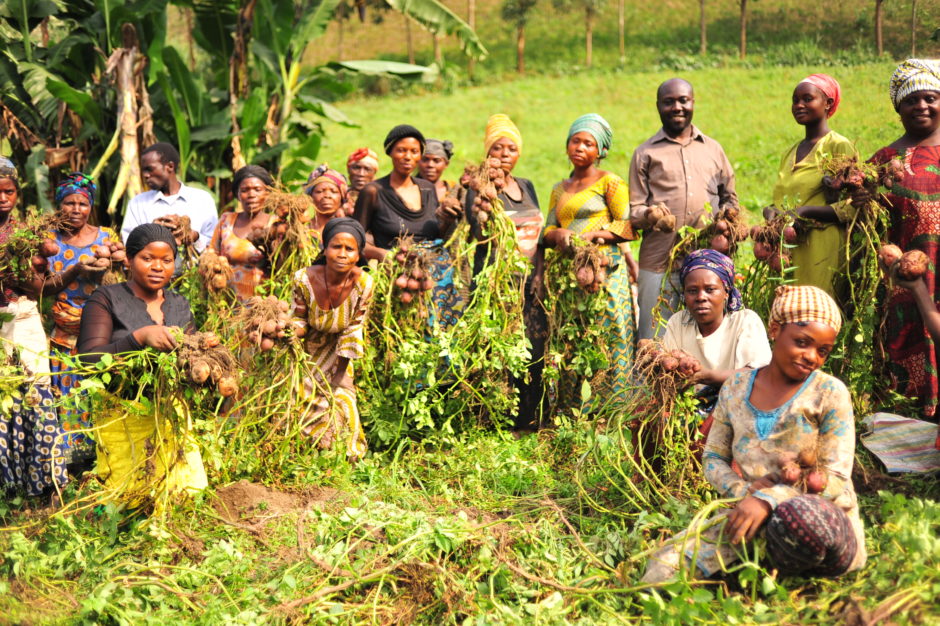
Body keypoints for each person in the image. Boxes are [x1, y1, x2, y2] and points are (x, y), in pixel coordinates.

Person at [642, 285, 865, 583]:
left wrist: (769, 499)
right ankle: (751, 572)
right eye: (802, 343)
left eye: (822, 351)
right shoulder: (735, 388)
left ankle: (771, 574)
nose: (811, 356)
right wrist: (743, 492)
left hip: (819, 517)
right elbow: (713, 457)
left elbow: (836, 479)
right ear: (775, 330)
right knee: (662, 567)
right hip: (750, 511)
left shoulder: (829, 393)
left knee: (801, 524)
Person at [77, 223, 207, 502]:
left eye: (166, 260)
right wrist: (139, 338)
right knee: (127, 501)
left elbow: (192, 357)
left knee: (183, 499)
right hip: (122, 416)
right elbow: (87, 360)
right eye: (147, 258)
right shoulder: (106, 299)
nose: (158, 267)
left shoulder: (179, 304)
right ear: (129, 259)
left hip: (170, 416)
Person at [457, 114, 547, 430]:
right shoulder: (480, 188)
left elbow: (540, 234)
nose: (505, 154)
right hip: (497, 282)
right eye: (498, 147)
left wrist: (539, 273)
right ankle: (499, 419)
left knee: (535, 349)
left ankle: (531, 418)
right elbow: (478, 231)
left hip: (531, 282)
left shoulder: (527, 185)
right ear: (488, 152)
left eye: (512, 148)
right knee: (501, 350)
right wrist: (483, 190)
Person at [629, 78, 738, 340]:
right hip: (659, 262)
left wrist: (726, 221)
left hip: (708, 262)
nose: (677, 107)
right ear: (658, 106)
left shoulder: (713, 149)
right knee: (654, 340)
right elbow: (634, 210)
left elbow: (730, 198)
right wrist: (650, 215)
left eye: (683, 101)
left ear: (693, 103)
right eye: (669, 102)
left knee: (709, 339)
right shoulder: (645, 153)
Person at [543, 114, 638, 405]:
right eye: (576, 141)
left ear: (600, 151)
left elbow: (628, 226)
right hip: (570, 275)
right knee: (570, 337)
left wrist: (597, 235)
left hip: (605, 272)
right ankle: (568, 410)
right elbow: (546, 231)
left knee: (612, 333)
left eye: (589, 143)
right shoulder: (559, 189)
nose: (580, 148)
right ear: (567, 145)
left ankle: (613, 409)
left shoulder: (610, 182)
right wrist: (559, 234)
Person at [871, 59, 940, 421]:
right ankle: (910, 417)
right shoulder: (884, 160)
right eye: (911, 100)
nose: (922, 106)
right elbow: (863, 220)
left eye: (930, 98)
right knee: (904, 342)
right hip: (903, 276)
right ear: (898, 108)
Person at [0, 157, 67, 499]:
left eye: (9, 191)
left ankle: (43, 481)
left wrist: (18, 274)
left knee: (35, 391)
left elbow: (40, 287)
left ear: (17, 193)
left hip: (22, 317)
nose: (3, 198)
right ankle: (7, 486)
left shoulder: (27, 234)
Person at [43, 174, 119, 465]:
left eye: (83, 204)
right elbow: (45, 288)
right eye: (69, 203)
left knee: (98, 394)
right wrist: (76, 270)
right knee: (66, 395)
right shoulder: (49, 241)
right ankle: (69, 463)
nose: (76, 209)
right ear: (59, 205)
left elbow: (122, 275)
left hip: (100, 331)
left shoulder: (107, 238)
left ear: (91, 206)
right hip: (63, 331)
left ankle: (101, 461)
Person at [356, 124, 462, 326]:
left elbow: (434, 235)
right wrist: (382, 254)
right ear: (390, 152)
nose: (407, 157)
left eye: (414, 151)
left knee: (441, 336)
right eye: (401, 150)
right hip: (396, 279)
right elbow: (355, 241)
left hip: (435, 279)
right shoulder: (373, 191)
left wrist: (447, 219)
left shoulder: (427, 188)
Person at [291, 218, 373, 461]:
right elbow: (299, 320)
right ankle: (304, 452)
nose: (342, 254)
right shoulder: (303, 279)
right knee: (298, 398)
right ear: (325, 249)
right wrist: (287, 334)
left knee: (343, 400)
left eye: (350, 249)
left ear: (358, 255)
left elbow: (353, 331)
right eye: (336, 247)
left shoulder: (364, 284)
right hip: (307, 351)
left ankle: (348, 457)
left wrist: (338, 377)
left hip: (340, 354)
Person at [769, 74, 857, 298]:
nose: (799, 105)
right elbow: (783, 199)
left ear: (828, 103)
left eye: (807, 99)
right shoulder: (789, 152)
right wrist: (771, 212)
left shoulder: (838, 145)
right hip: (787, 248)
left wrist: (805, 211)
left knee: (817, 308)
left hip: (821, 246)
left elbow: (852, 205)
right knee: (787, 308)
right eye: (795, 100)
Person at [120, 143, 218, 253]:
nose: (145, 175)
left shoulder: (202, 199)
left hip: (195, 264)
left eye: (150, 169)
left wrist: (194, 237)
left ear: (170, 167)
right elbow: (129, 243)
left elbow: (215, 243)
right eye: (143, 170)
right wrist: (151, 233)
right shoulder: (137, 203)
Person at [209, 165, 275, 302]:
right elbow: (211, 253)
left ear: (267, 193)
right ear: (238, 194)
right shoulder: (226, 220)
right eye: (244, 190)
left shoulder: (275, 224)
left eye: (257, 189)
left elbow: (281, 264)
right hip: (225, 301)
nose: (251, 195)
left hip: (261, 302)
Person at [304, 164, 349, 235]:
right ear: (311, 196)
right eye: (319, 191)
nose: (327, 195)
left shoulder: (350, 229)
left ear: (342, 196)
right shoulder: (302, 230)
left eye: (334, 191)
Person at [345, 147, 379, 215]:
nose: (361, 174)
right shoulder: (340, 196)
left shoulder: (382, 197)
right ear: (348, 170)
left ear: (374, 173)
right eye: (356, 168)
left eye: (367, 169)